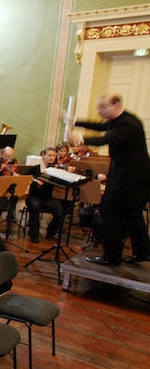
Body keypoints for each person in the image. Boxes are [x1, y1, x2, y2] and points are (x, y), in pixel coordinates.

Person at [74, 93, 150, 265]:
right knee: (132, 213)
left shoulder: (128, 123)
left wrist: (80, 138)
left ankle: (111, 257)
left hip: (129, 176)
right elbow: (99, 127)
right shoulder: (119, 121)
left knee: (111, 211)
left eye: (103, 107)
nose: (100, 111)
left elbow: (107, 138)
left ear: (116, 106)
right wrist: (74, 121)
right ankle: (143, 252)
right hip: (130, 173)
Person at [25, 147, 64, 243]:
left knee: (59, 211)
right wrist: (34, 180)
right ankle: (34, 235)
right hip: (34, 196)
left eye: (54, 156)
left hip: (48, 197)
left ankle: (51, 232)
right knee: (35, 206)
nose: (52, 158)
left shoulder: (55, 170)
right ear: (43, 155)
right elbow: (24, 177)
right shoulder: (36, 168)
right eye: (49, 155)